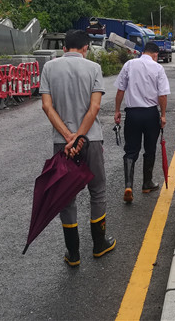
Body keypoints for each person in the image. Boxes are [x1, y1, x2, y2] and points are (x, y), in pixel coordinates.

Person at [40, 29, 115, 267]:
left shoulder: (49, 68)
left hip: (62, 144)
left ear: (64, 48)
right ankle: (99, 244)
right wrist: (80, 137)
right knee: (97, 190)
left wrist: (68, 137)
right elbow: (94, 108)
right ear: (85, 48)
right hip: (91, 139)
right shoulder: (93, 68)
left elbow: (47, 106)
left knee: (66, 196)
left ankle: (73, 254)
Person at [114, 41, 170, 203]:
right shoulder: (158, 68)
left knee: (131, 150)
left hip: (132, 114)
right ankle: (147, 183)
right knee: (150, 149)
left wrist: (117, 111)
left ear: (143, 51)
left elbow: (120, 90)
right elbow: (162, 95)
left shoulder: (129, 65)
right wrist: (163, 115)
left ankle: (128, 186)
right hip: (150, 114)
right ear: (155, 54)